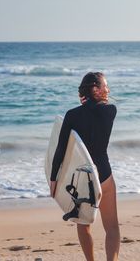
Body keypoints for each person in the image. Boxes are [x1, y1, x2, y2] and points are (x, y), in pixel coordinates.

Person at [50, 72, 120, 261]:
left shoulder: (72, 115)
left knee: (83, 224)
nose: (108, 89)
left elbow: (60, 149)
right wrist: (93, 100)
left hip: (83, 177)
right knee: (112, 227)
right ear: (96, 89)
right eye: (105, 86)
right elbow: (97, 109)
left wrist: (53, 179)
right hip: (104, 174)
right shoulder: (110, 110)